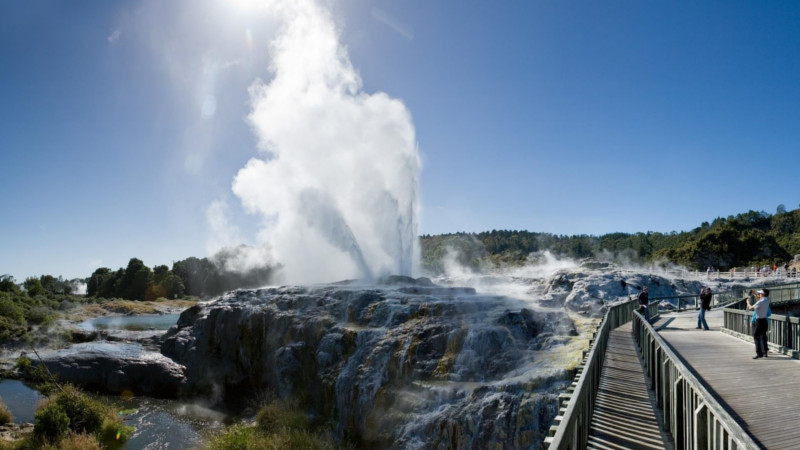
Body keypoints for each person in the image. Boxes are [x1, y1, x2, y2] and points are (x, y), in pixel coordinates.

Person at [747, 288, 770, 359]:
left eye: (760, 293)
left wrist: (747, 302)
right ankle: (765, 352)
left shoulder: (760, 302)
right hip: (764, 321)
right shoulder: (767, 300)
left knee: (756, 336)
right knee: (763, 336)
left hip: (759, 321)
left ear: (763, 294)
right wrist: (754, 294)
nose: (759, 294)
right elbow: (759, 299)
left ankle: (758, 353)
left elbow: (750, 308)